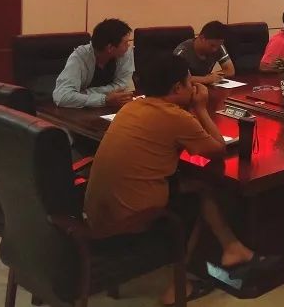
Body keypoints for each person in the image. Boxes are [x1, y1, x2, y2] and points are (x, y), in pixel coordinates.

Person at [84, 54, 257, 305]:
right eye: (189, 82)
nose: (193, 87)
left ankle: (231, 247)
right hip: (132, 219)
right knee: (198, 196)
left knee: (198, 186)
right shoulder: (176, 118)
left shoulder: (133, 106)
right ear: (177, 88)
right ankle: (177, 288)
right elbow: (218, 150)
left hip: (98, 211)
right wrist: (200, 108)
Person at [53, 18, 135, 108]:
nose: (128, 46)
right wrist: (104, 99)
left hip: (110, 108)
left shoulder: (124, 54)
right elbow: (62, 96)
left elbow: (124, 87)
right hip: (79, 112)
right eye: (125, 43)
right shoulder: (80, 56)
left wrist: (84, 93)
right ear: (110, 48)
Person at [174, 20, 235, 84]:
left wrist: (212, 76)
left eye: (218, 46)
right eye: (212, 45)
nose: (215, 49)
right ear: (202, 38)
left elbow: (230, 71)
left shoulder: (218, 46)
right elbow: (179, 78)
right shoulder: (182, 52)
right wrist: (206, 79)